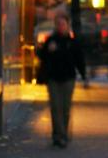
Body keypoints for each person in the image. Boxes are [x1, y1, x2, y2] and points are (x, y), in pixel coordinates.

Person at [37, 13, 87, 148]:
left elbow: (79, 60)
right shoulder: (51, 41)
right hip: (53, 78)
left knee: (65, 108)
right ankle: (60, 135)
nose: (60, 27)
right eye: (58, 24)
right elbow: (42, 56)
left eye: (62, 24)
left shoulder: (72, 42)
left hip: (68, 78)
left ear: (67, 25)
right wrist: (47, 49)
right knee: (55, 107)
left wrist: (84, 76)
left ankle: (60, 133)